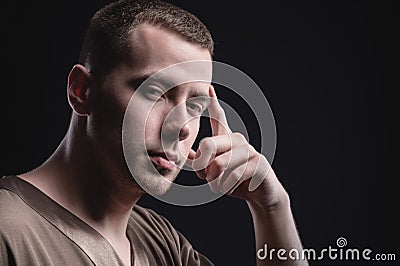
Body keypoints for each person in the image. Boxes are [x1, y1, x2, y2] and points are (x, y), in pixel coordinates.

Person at [0, 0, 307, 265]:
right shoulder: (7, 229)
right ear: (82, 91)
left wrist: (271, 206)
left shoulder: (164, 245)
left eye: (195, 105)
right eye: (156, 92)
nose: (182, 126)